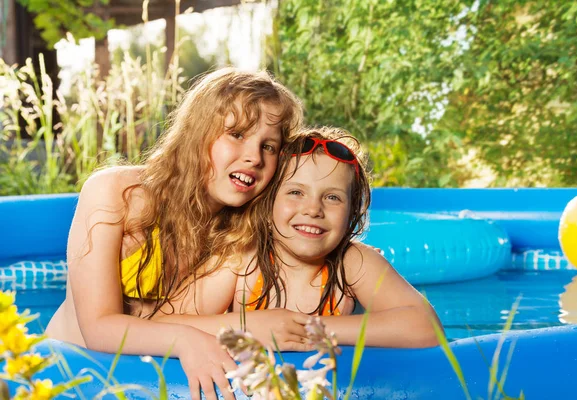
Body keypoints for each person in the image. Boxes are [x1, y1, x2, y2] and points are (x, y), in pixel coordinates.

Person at [45, 67, 305, 400]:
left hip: (143, 385)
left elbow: (158, 319)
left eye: (268, 146)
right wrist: (187, 339)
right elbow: (98, 327)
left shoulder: (238, 235)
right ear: (197, 133)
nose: (254, 157)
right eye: (237, 134)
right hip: (65, 376)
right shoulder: (118, 194)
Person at [152, 127, 441, 349]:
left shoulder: (353, 262)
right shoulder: (241, 259)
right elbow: (164, 324)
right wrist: (245, 326)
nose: (313, 209)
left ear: (352, 214)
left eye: (332, 197)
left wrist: (309, 330)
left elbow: (428, 328)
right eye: (295, 192)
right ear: (268, 205)